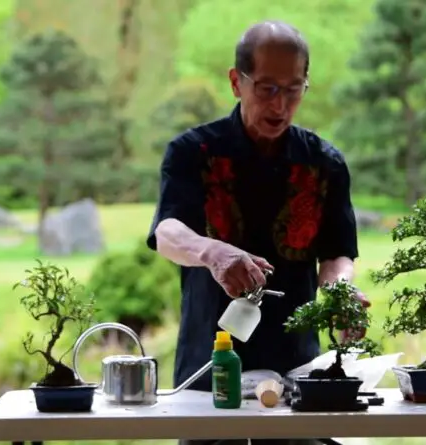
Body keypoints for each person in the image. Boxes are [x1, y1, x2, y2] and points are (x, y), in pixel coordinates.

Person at [147, 20, 369, 445]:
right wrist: (212, 252)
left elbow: (338, 254)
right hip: (209, 365)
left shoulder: (324, 163)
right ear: (236, 82)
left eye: (294, 89)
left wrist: (340, 293)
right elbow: (168, 232)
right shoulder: (194, 152)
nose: (280, 105)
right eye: (267, 88)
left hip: (299, 369)